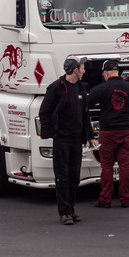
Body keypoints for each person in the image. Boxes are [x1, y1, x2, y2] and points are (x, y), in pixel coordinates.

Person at [39, 56, 97, 225]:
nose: (85, 70)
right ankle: (64, 213)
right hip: (62, 140)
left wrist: (90, 136)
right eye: (82, 68)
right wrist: (53, 134)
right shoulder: (56, 88)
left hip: (76, 140)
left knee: (74, 177)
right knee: (62, 177)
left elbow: (86, 115)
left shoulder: (81, 88)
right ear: (74, 70)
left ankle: (71, 210)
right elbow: (44, 113)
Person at [88, 59, 129, 208]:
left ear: (106, 73)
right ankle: (126, 199)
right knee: (125, 165)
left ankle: (105, 200)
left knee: (107, 166)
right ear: (118, 72)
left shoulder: (100, 88)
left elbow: (86, 105)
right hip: (126, 130)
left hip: (107, 132)